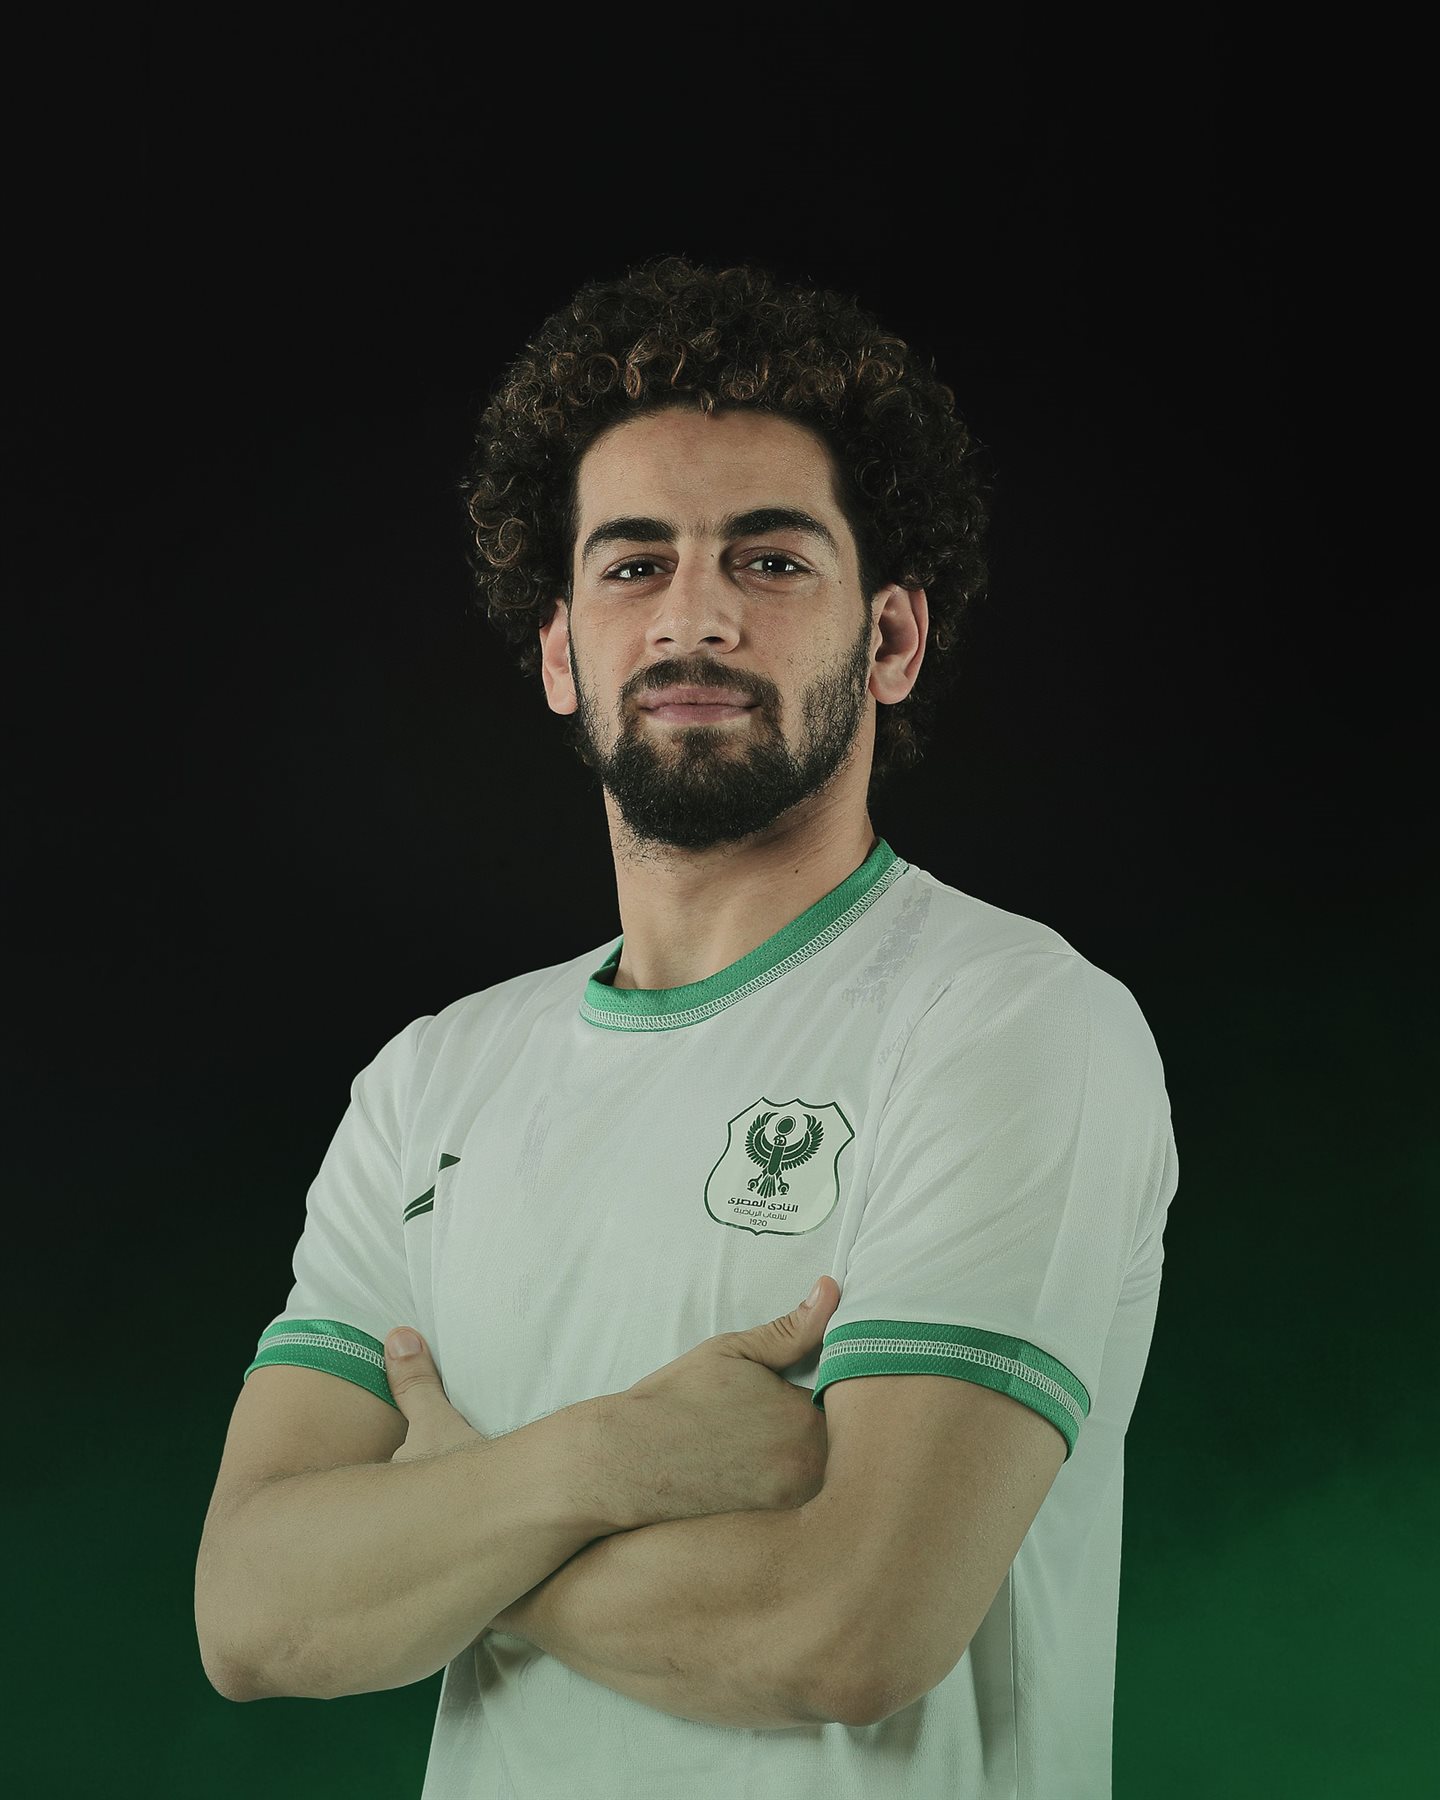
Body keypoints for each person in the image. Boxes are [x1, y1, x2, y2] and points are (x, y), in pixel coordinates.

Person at [240, 254, 1179, 1797]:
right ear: (562, 651)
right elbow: (252, 1610)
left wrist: (447, 1533)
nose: (695, 616)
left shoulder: (1011, 1022)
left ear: (891, 641)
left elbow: (849, 1629)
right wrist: (597, 1465)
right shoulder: (430, 1083)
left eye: (770, 560)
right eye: (633, 565)